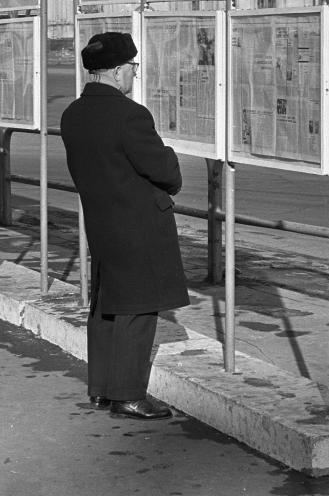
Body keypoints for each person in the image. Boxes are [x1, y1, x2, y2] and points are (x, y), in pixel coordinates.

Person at [60, 32, 189, 420]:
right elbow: (163, 171)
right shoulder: (130, 115)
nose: (134, 73)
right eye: (133, 67)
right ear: (117, 71)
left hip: (101, 223)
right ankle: (128, 395)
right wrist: (170, 156)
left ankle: (101, 389)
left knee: (105, 307)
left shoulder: (73, 114)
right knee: (138, 309)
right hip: (138, 226)